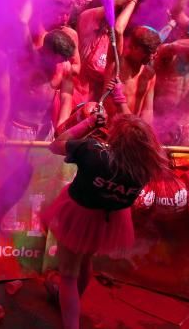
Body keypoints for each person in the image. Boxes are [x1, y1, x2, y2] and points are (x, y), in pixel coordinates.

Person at [45, 110, 169, 329]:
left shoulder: (93, 152)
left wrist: (88, 122)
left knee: (68, 275)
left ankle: (70, 320)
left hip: (79, 215)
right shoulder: (145, 168)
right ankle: (71, 302)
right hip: (108, 220)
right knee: (84, 261)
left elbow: (56, 145)